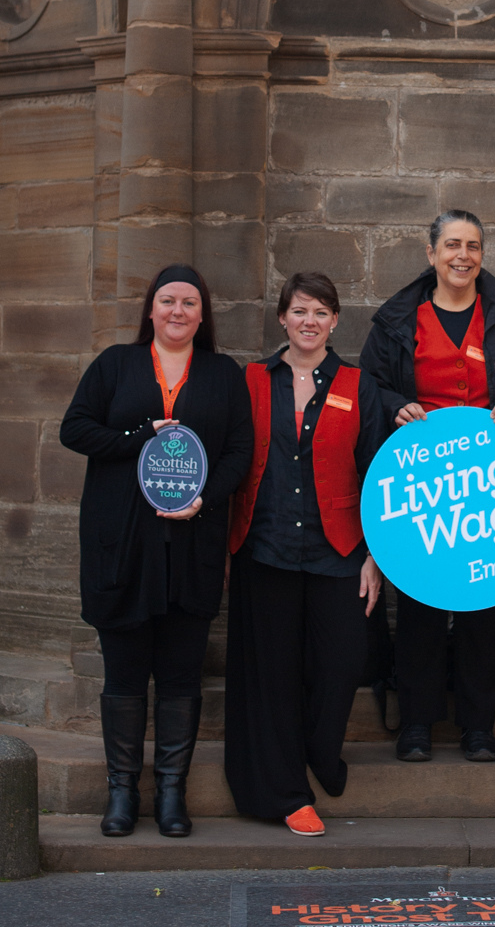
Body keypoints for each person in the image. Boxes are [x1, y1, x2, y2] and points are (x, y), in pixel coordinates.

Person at [59, 264, 253, 839]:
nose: (177, 311)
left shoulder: (223, 374)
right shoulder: (114, 365)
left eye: (189, 303)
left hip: (191, 547)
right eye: (167, 301)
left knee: (179, 678)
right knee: (122, 677)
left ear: (202, 314)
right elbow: (75, 429)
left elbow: (240, 453)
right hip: (121, 548)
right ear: (151, 309)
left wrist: (204, 499)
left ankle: (172, 794)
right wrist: (138, 438)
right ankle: (123, 794)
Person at [360, 210, 495, 763]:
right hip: (421, 480)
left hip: (489, 481)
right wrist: (397, 406)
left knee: (482, 605)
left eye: (472, 245)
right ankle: (416, 724)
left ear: (482, 255)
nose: (461, 255)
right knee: (418, 603)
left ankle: (478, 727)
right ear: (431, 253)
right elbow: (370, 385)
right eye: (451, 245)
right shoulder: (398, 319)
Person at [225, 272, 388, 837]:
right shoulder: (250, 380)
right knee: (273, 674)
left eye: (321, 312)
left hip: (338, 548)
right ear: (282, 319)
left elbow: (375, 473)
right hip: (264, 547)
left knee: (341, 664)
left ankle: (321, 750)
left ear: (336, 320)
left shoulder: (356, 382)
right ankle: (289, 792)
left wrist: (374, 556)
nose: (309, 321)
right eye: (299, 311)